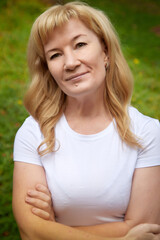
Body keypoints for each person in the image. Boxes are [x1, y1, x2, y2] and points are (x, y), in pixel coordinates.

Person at [12, 1, 160, 240]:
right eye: (55, 55)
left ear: (106, 52)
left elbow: (145, 227)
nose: (70, 63)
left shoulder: (147, 132)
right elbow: (30, 232)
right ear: (48, 68)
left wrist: (52, 228)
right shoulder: (33, 132)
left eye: (79, 44)